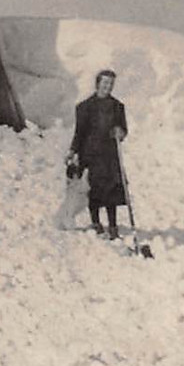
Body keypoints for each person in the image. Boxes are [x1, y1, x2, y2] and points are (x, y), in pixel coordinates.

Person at [66, 69, 130, 239]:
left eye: (111, 84)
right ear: (97, 84)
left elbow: (124, 130)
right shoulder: (85, 107)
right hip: (91, 155)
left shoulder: (117, 107)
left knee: (112, 191)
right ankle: (95, 222)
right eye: (105, 83)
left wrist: (120, 132)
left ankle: (113, 226)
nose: (108, 86)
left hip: (110, 156)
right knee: (94, 190)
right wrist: (72, 151)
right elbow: (79, 133)